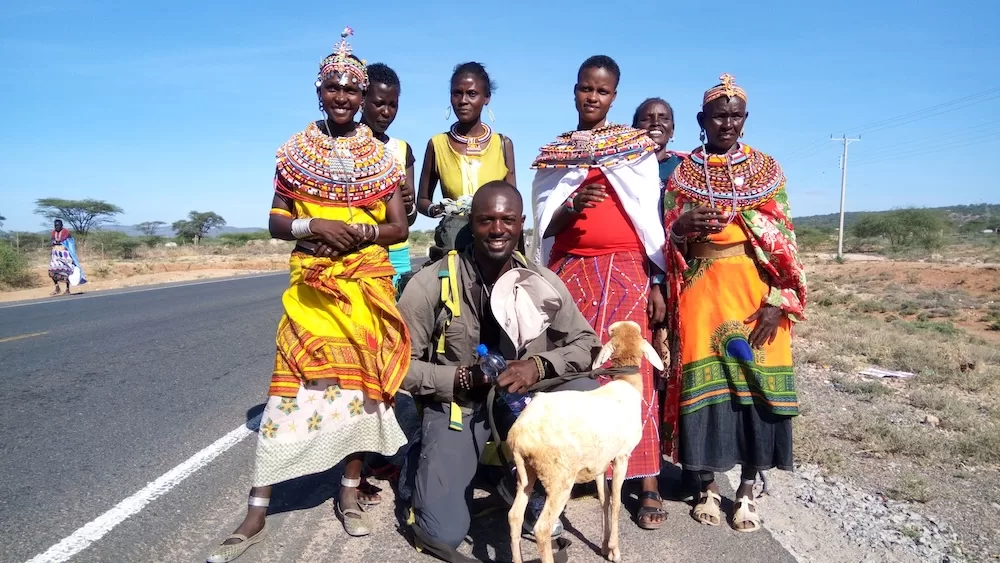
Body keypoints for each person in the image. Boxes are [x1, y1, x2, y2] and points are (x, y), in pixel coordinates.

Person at [207, 27, 411, 563]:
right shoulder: (296, 150)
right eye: (333, 87)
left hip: (363, 284)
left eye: (352, 89)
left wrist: (362, 233)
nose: (342, 97)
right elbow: (276, 220)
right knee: (289, 390)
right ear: (318, 91)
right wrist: (313, 225)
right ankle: (257, 510)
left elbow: (398, 228)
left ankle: (348, 495)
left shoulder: (380, 156)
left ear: (363, 96)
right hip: (311, 286)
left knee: (359, 392)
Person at [397, 181, 601, 562]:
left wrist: (537, 366)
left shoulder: (541, 281)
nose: (497, 229)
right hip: (460, 407)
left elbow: (586, 343)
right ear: (471, 225)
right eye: (486, 220)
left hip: (523, 404)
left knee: (586, 390)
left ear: (521, 223)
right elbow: (395, 367)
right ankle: (421, 454)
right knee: (441, 531)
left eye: (507, 220)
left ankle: (526, 488)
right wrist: (460, 378)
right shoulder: (430, 284)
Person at [529, 55, 670, 530]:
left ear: (615, 96)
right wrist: (571, 206)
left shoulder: (634, 150)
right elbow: (546, 224)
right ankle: (572, 470)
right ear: (574, 90)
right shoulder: (555, 152)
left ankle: (646, 480)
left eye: (603, 91)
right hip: (569, 270)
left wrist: (655, 279)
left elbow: (650, 219)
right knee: (573, 366)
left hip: (626, 268)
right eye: (586, 89)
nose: (593, 97)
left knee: (630, 372)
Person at [662, 74, 806, 533]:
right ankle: (704, 485)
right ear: (703, 120)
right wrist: (682, 227)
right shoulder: (683, 173)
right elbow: (665, 238)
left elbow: (785, 243)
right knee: (701, 389)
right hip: (701, 294)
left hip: (754, 295)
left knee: (756, 386)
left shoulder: (767, 169)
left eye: (736, 115)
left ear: (745, 120)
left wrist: (777, 301)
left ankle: (746, 490)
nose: (727, 122)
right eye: (719, 115)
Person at [416, 62, 516, 258]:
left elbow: (513, 203)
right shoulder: (437, 145)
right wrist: (438, 209)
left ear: (486, 98)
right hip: (454, 246)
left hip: (495, 245)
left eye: (472, 94)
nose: (463, 100)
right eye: (457, 93)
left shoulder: (503, 145)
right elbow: (421, 201)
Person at [361, 62, 418, 290]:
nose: (387, 112)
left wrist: (408, 205)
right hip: (359, 250)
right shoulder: (344, 146)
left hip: (397, 254)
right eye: (379, 103)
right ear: (362, 100)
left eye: (393, 105)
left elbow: (410, 219)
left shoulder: (401, 149)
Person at [48, 220, 85, 295]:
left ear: (61, 225)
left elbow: (67, 242)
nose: (57, 227)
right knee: (51, 271)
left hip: (65, 255)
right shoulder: (54, 232)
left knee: (67, 271)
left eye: (58, 225)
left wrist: (58, 243)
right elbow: (52, 241)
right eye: (55, 225)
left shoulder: (66, 232)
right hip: (56, 255)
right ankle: (57, 287)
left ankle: (67, 289)